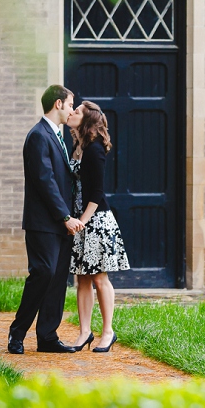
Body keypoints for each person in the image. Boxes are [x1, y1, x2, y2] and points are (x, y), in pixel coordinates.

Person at [7, 85, 85, 354]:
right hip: (43, 222)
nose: (73, 109)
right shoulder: (38, 135)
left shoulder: (59, 136)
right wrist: (65, 216)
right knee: (43, 274)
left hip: (62, 224)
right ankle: (17, 333)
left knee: (57, 278)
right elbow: (44, 181)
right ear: (58, 104)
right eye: (71, 104)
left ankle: (47, 337)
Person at [67, 100, 129, 353]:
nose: (72, 113)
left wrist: (83, 220)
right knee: (81, 279)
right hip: (80, 221)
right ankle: (84, 332)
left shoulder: (95, 149)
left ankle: (108, 332)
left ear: (88, 119)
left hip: (96, 220)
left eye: (78, 111)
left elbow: (97, 192)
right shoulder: (77, 146)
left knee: (99, 278)